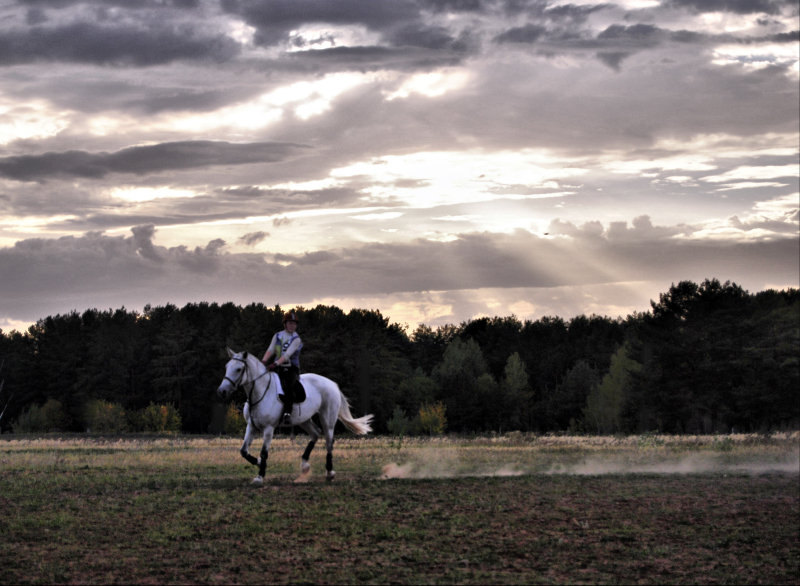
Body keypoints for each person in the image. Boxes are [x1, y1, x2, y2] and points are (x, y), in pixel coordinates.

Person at [261, 310, 303, 425]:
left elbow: (287, 355)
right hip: (277, 367)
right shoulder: (277, 336)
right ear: (285, 324)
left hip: (291, 368)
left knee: (288, 386)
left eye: (294, 324)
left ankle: (287, 413)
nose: (292, 325)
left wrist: (275, 364)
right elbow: (271, 349)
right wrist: (263, 361)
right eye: (290, 323)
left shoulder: (296, 339)